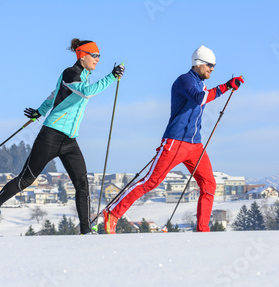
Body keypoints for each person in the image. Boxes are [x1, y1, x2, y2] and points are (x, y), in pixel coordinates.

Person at [0, 38, 125, 235]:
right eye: (95, 55)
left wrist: (39, 111)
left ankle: (86, 230)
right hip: (51, 135)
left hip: (70, 140)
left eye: (99, 56)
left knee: (82, 184)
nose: (98, 59)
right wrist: (110, 77)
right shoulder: (70, 73)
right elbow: (86, 93)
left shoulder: (85, 76)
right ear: (82, 56)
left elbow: (54, 95)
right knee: (26, 179)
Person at [101, 45, 243, 234]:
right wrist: (226, 86)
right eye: (210, 65)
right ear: (198, 63)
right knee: (151, 181)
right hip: (175, 142)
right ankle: (112, 213)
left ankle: (203, 230)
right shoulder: (185, 80)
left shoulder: (202, 83)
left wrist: (225, 87)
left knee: (209, 184)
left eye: (214, 66)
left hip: (195, 145)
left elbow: (202, 96)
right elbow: (199, 99)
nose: (212, 69)